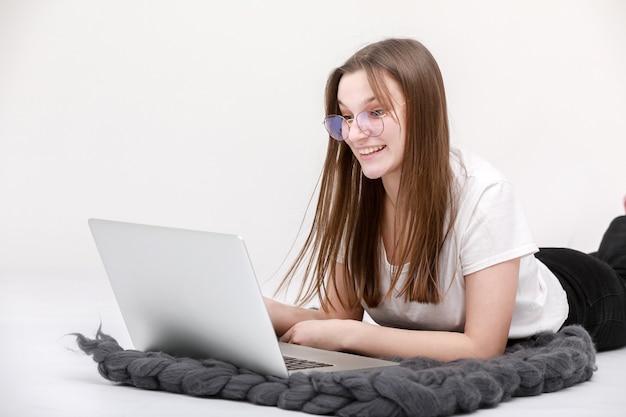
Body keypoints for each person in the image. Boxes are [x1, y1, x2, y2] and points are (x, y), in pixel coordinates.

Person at [265, 38, 626, 361]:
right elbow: (334, 320)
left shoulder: (484, 194)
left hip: (583, 294)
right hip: (503, 273)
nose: (356, 133)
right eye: (345, 117)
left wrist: (357, 335)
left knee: (618, 267)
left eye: (375, 112)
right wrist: (256, 309)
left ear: (422, 111)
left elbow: (482, 348)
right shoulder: (357, 199)